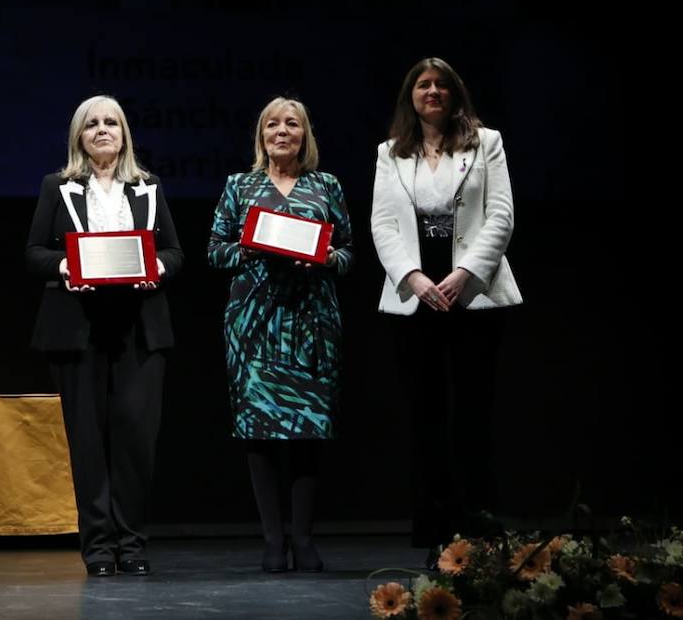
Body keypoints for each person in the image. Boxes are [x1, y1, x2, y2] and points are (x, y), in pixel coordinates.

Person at [369, 57, 521, 557]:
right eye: (422, 85)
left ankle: (478, 524)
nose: (431, 91)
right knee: (425, 417)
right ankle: (433, 528)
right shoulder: (390, 153)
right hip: (416, 295)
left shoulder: (486, 143)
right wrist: (413, 277)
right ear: (410, 96)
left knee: (474, 415)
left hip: (472, 292)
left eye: (440, 85)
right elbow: (383, 225)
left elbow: (500, 216)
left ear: (454, 93)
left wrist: (463, 275)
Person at [25, 95, 183, 577]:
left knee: (135, 442)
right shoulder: (59, 187)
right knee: (88, 443)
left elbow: (174, 251)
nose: (101, 130)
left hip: (139, 328)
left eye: (110, 122)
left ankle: (132, 546)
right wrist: (65, 265)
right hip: (79, 330)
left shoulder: (148, 187)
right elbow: (33, 251)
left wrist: (155, 266)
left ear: (124, 133)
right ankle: (97, 549)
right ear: (79, 136)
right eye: (91, 124)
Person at [208, 97, 352, 573]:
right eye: (273, 124)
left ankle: (304, 538)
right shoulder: (240, 185)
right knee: (260, 431)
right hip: (253, 323)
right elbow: (215, 250)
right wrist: (251, 249)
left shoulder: (325, 185)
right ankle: (273, 540)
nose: (282, 131)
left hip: (311, 321)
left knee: (308, 430)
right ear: (262, 135)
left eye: (292, 124)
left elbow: (347, 250)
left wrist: (326, 258)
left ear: (304, 134)